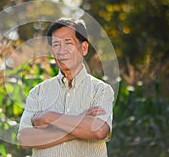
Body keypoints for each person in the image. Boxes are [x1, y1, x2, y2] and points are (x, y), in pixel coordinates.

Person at [17, 18, 114, 157]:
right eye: (56, 45)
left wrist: (49, 117)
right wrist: (80, 122)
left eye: (68, 43)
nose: (61, 51)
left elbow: (98, 131)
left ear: (84, 48)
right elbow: (25, 139)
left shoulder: (101, 90)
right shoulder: (38, 92)